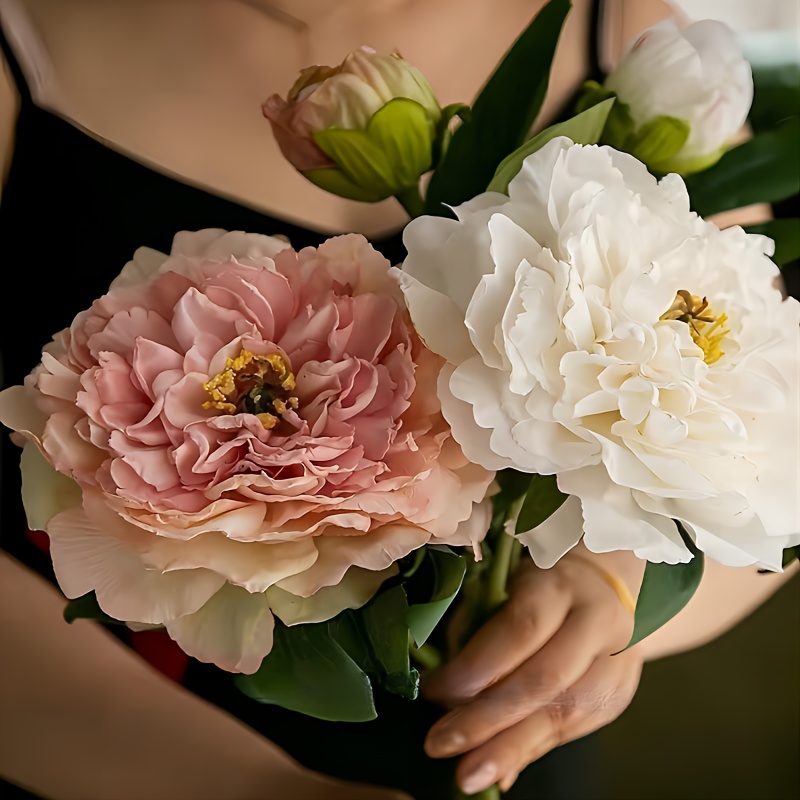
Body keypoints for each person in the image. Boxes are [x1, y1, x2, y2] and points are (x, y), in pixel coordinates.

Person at [0, 1, 796, 798]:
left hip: (507, 755)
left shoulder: (622, 25)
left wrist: (614, 588)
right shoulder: (31, 32)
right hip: (108, 745)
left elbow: (761, 422)